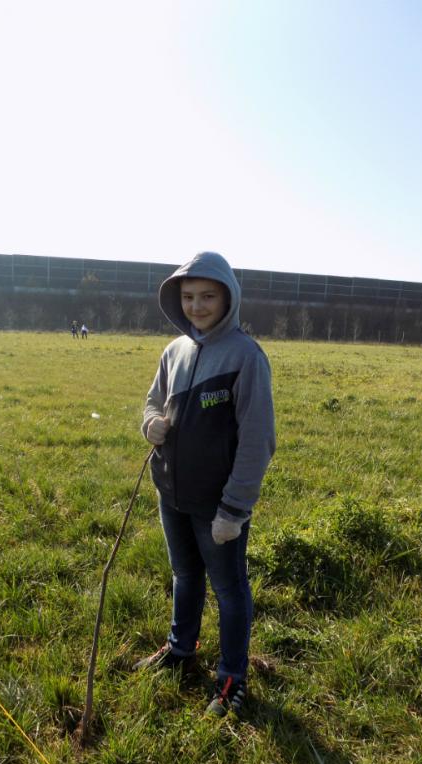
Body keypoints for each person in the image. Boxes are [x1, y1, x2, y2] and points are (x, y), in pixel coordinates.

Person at [134, 251, 275, 718]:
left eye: (208, 296)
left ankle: (232, 678)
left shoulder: (246, 357)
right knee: (184, 575)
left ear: (228, 297)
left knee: (229, 589)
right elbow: (152, 402)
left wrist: (234, 509)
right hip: (171, 494)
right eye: (189, 297)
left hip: (218, 507)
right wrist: (150, 423)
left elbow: (258, 440)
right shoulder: (173, 351)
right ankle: (181, 649)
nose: (197, 306)